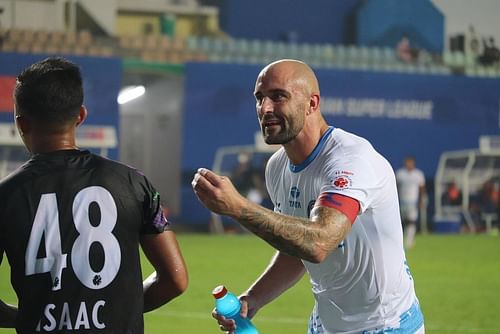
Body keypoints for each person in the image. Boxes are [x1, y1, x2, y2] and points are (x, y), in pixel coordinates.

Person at [192, 59, 424, 333]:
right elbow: (296, 249)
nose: (265, 108)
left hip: (385, 326)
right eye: (259, 98)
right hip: (324, 325)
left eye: (278, 96)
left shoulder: (350, 159)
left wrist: (238, 207)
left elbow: (318, 242)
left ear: (312, 104)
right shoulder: (277, 166)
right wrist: (254, 298)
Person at [0, 57, 188, 333]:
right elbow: (176, 280)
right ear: (80, 116)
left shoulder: (7, 195)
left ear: (22, 123)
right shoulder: (133, 183)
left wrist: (26, 317)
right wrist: (122, 309)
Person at [396, 156, 426, 249]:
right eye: (407, 162)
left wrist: (421, 201)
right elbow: (396, 187)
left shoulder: (418, 174)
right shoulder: (400, 173)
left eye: (410, 162)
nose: (409, 164)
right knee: (402, 221)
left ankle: (409, 240)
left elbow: (422, 189)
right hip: (402, 201)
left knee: (412, 221)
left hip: (413, 201)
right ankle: (402, 240)